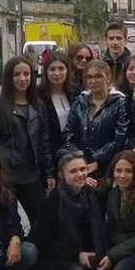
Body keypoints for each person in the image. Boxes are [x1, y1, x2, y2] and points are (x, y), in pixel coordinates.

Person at [31, 151, 109, 270]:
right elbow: (44, 242)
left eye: (83, 169)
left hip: (87, 253)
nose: (80, 174)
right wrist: (77, 254)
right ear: (61, 175)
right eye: (73, 171)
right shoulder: (51, 202)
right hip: (56, 257)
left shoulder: (93, 195)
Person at [0, 57, 52, 223]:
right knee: (6, 221)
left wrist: (49, 172)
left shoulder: (38, 105)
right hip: (6, 175)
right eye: (17, 74)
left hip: (32, 174)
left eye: (26, 74)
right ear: (9, 77)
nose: (22, 79)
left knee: (41, 219)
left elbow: (44, 141)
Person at [63, 59, 130, 182]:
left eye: (98, 76)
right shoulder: (79, 102)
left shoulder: (120, 103)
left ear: (108, 78)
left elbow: (119, 139)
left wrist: (97, 160)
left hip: (108, 167)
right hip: (80, 166)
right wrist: (80, 160)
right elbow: (68, 134)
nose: (93, 81)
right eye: (89, 77)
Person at [38, 53, 79, 189]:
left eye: (61, 69)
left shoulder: (75, 93)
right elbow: (41, 137)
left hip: (75, 154)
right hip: (51, 156)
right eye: (52, 69)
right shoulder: (38, 97)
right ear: (46, 72)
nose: (57, 73)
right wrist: (49, 171)